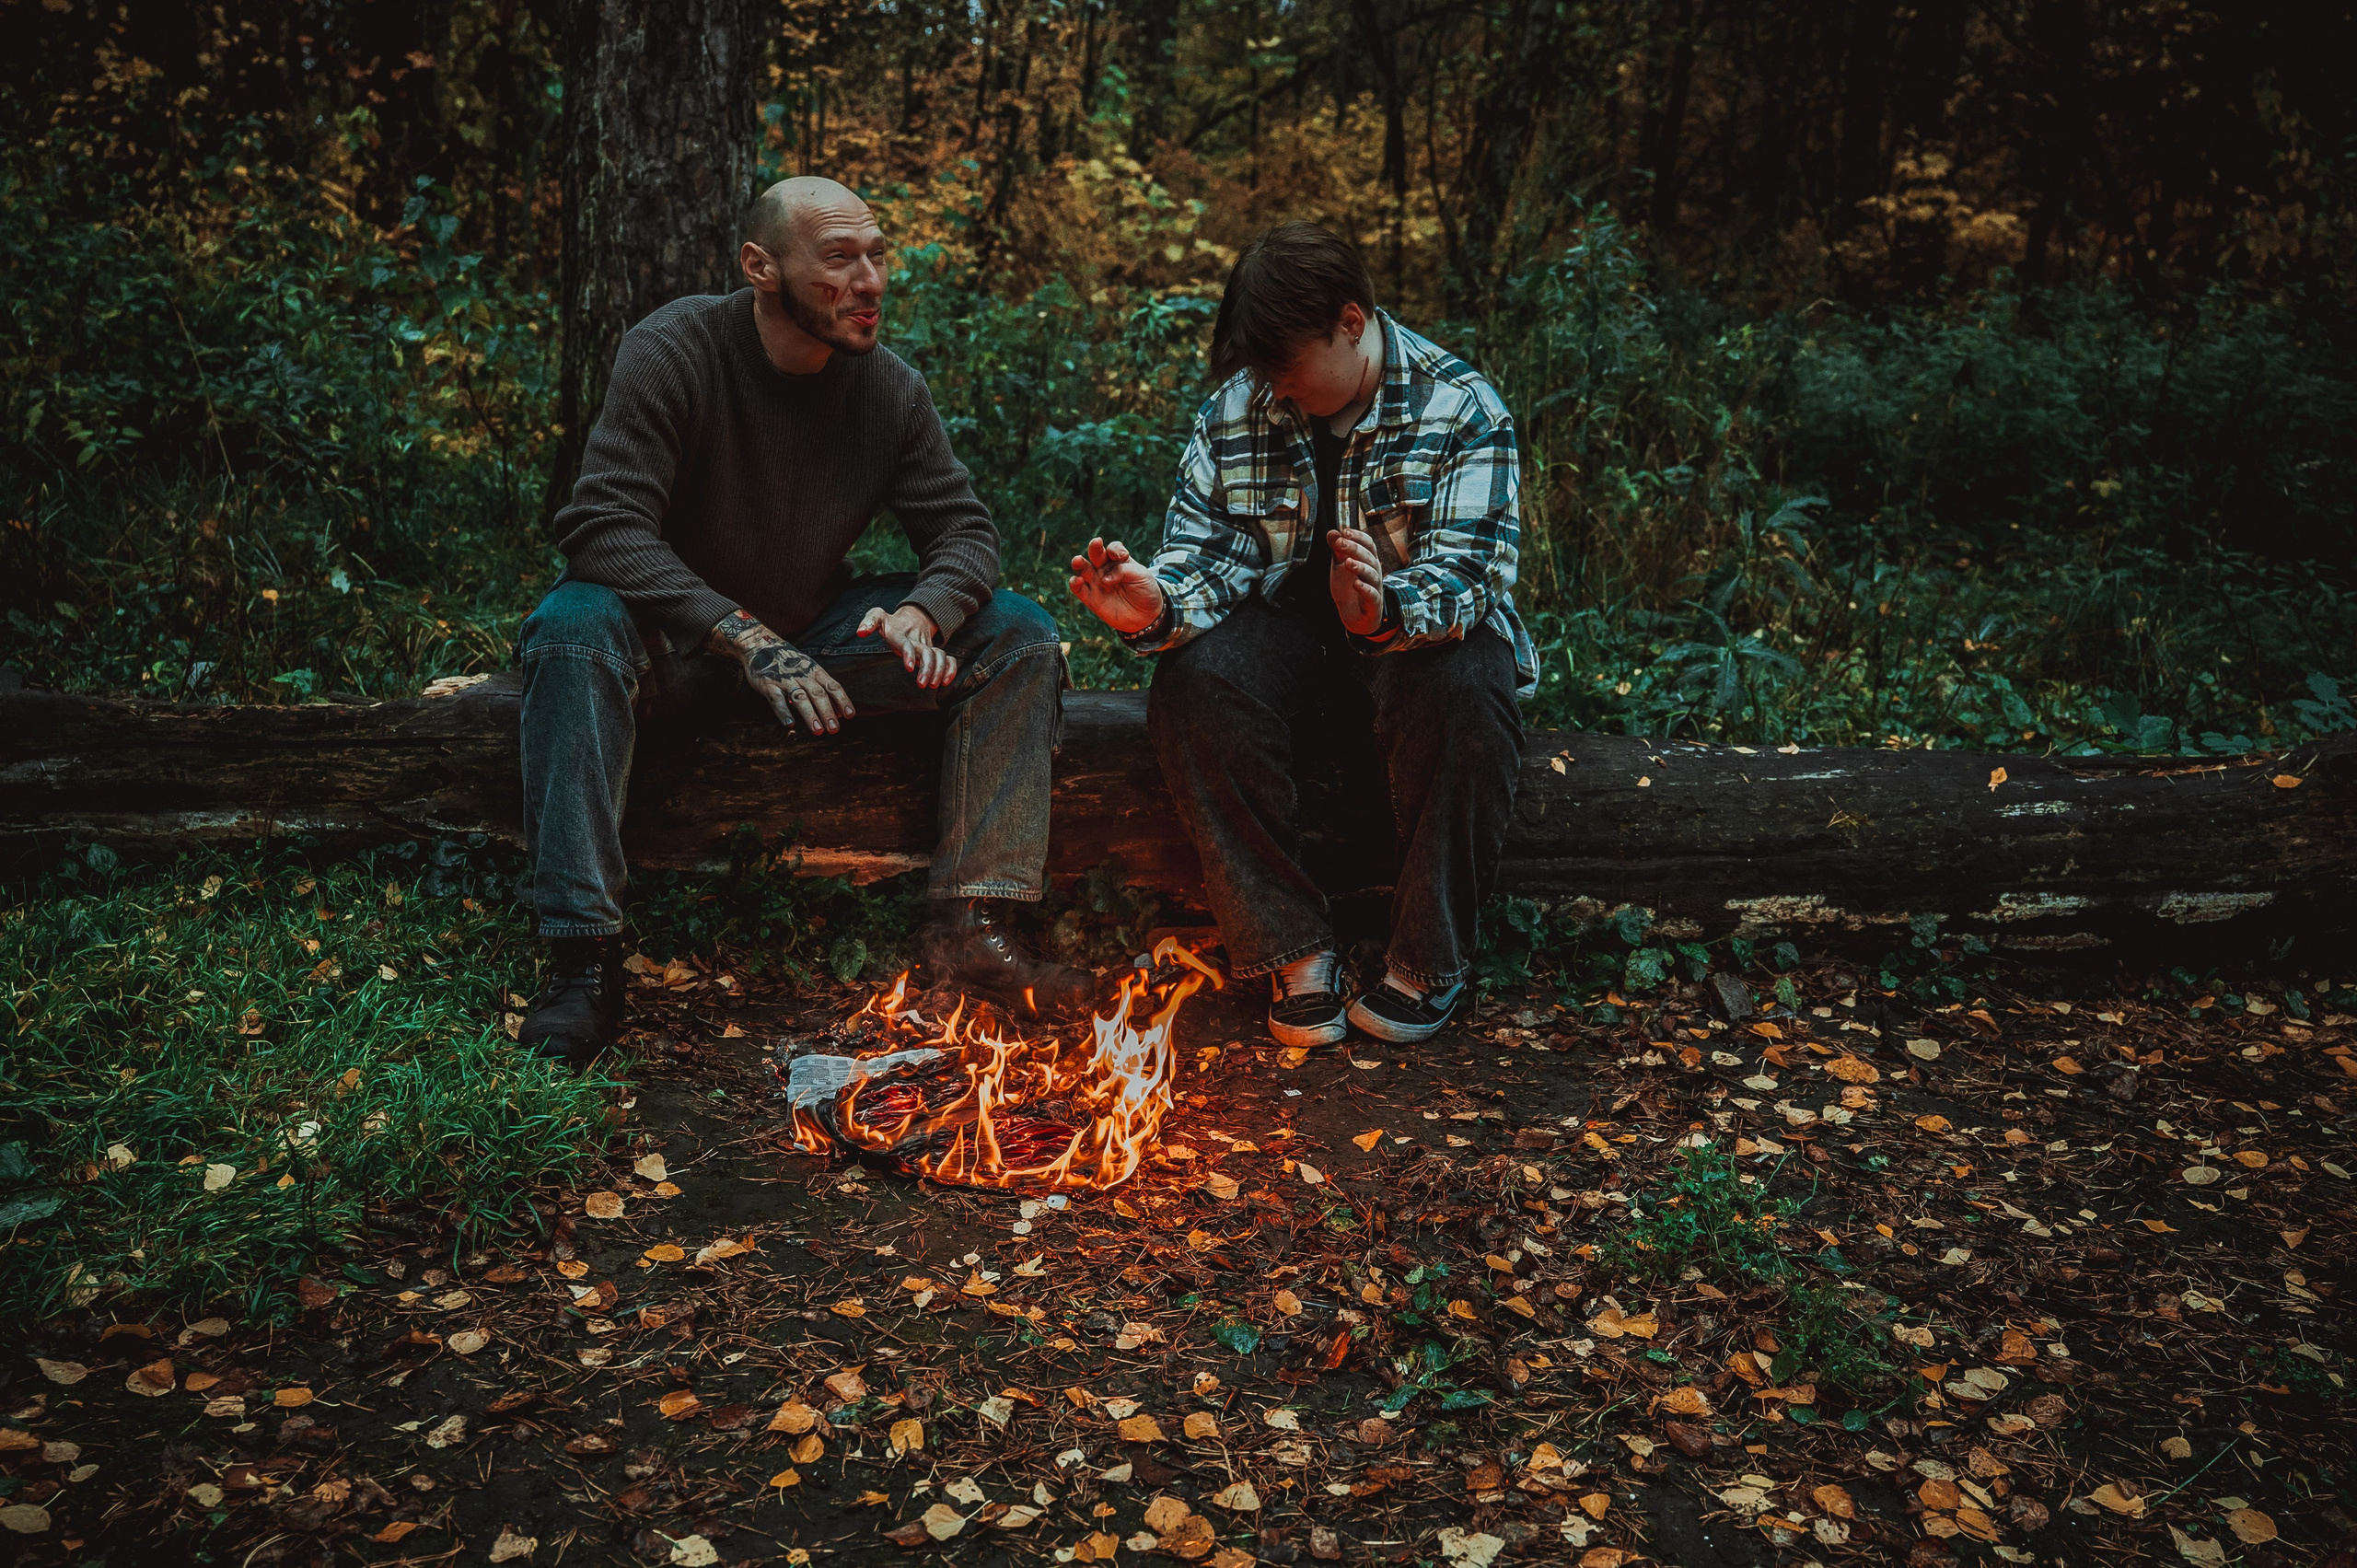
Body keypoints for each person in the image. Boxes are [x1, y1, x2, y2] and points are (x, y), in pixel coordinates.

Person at [515, 176, 1095, 1068]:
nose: (870, 281)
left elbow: (965, 533)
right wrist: (742, 636)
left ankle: (975, 926)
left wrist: (922, 611)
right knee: (571, 625)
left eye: (877, 256)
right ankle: (581, 957)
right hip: (666, 640)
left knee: (1017, 632)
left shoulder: (889, 389)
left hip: (813, 639)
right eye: (839, 259)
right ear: (761, 266)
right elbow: (602, 525)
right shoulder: (674, 350)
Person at [1068, 222, 1529, 1049]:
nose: (1273, 388)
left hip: (1416, 647)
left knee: (1471, 685)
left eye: (1285, 365)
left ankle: (1429, 961)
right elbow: (1208, 556)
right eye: (1259, 369)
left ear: (1351, 322)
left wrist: (1383, 610)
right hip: (1291, 641)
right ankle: (1293, 949)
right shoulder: (1237, 410)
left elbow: (1473, 575)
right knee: (1192, 678)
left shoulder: (1462, 408)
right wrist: (1158, 605)